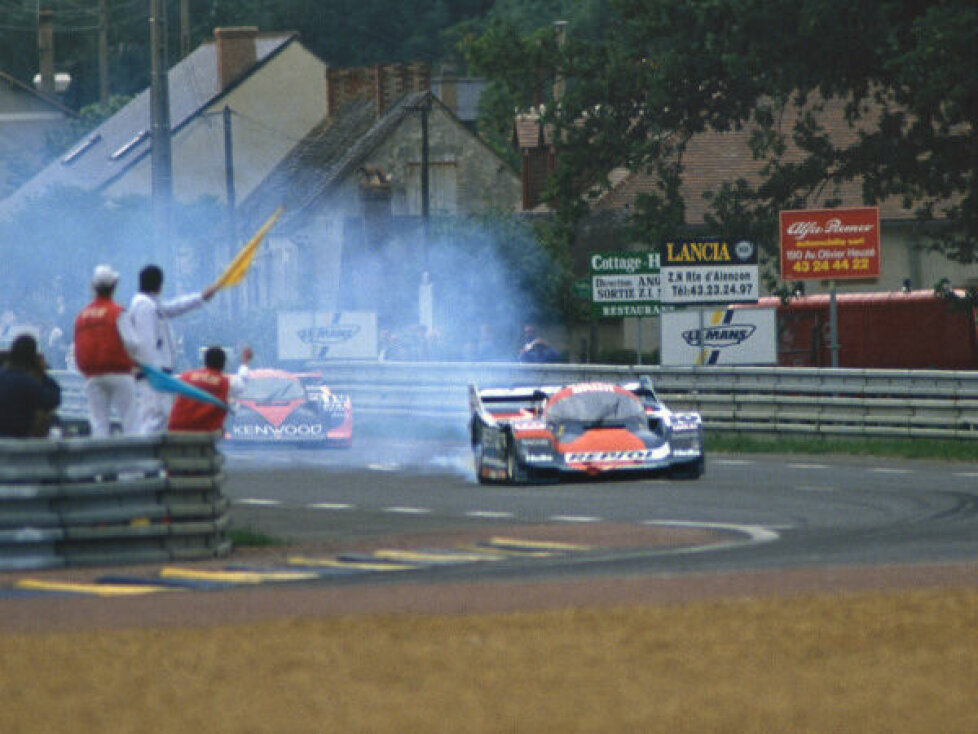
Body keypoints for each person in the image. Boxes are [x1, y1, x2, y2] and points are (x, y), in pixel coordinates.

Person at [127, 265, 218, 434]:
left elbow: (174, 307)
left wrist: (201, 298)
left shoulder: (149, 304)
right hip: (154, 374)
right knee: (155, 416)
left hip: (156, 373)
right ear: (159, 285)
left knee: (159, 416)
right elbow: (147, 344)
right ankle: (144, 453)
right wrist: (155, 374)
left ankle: (149, 453)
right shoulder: (145, 307)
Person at [73, 265, 138, 437]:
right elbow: (132, 343)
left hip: (92, 376)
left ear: (93, 287)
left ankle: (98, 461)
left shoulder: (82, 315)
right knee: (129, 422)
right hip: (120, 373)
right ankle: (134, 460)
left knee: (99, 424)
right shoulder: (117, 312)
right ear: (114, 286)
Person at [168, 345, 252, 433]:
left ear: (205, 361)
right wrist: (245, 362)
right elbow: (242, 381)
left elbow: (165, 383)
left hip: (177, 433)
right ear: (224, 364)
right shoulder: (226, 382)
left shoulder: (185, 377)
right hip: (206, 436)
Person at [0, 334, 61, 438]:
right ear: (32, 358)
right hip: (21, 442)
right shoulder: (30, 384)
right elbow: (53, 400)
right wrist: (42, 373)